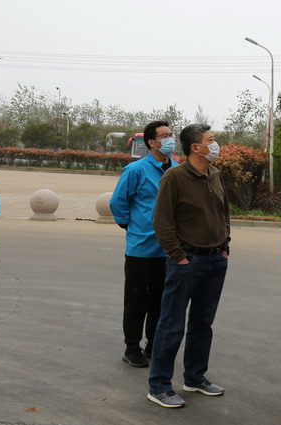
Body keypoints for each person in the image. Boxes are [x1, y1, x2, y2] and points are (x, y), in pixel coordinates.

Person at [147, 123, 231, 408]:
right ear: (196, 147)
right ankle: (159, 386)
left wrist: (225, 246)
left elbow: (223, 213)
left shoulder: (215, 174)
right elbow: (162, 222)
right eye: (211, 140)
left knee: (202, 324)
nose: (216, 144)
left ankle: (195, 378)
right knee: (171, 325)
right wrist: (179, 256)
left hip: (215, 261)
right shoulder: (174, 177)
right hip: (187, 262)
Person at [109, 120, 179, 368]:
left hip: (169, 250)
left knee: (161, 301)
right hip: (141, 249)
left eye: (171, 134)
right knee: (136, 301)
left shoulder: (177, 169)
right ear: (151, 142)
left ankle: (153, 344)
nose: (170, 139)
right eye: (165, 136)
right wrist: (131, 226)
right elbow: (118, 202)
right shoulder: (135, 170)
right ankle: (131, 347)